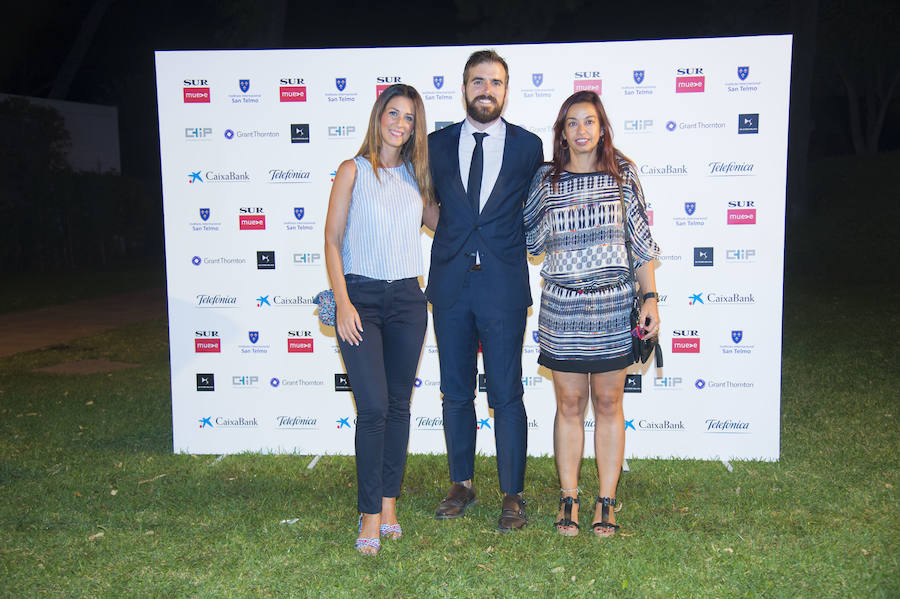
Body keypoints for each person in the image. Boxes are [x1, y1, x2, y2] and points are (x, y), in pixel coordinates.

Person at [524, 90, 660, 537]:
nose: (581, 131)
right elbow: (530, 242)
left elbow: (640, 246)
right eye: (572, 123)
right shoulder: (546, 181)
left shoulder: (623, 176)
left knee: (607, 403)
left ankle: (606, 500)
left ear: (602, 128)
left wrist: (651, 299)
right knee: (568, 404)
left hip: (613, 308)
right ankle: (569, 499)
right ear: (561, 133)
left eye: (589, 121)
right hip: (562, 310)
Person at [426, 50, 543, 531]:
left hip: (502, 287)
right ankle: (462, 483)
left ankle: (512, 493)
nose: (486, 90)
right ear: (464, 88)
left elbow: (536, 207)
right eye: (478, 81)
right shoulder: (433, 144)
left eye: (495, 82)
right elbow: (420, 202)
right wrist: (453, 236)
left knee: (506, 392)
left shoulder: (528, 146)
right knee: (454, 391)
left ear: (506, 90)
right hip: (451, 285)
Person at [324, 84, 437, 555]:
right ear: (379, 115)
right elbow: (331, 241)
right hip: (362, 301)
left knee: (398, 407)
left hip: (409, 301)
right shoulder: (352, 170)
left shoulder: (417, 176)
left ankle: (390, 503)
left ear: (415, 127)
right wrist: (343, 302)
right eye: (394, 113)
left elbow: (446, 222)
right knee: (372, 409)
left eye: (409, 117)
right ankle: (369, 512)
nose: (400, 123)